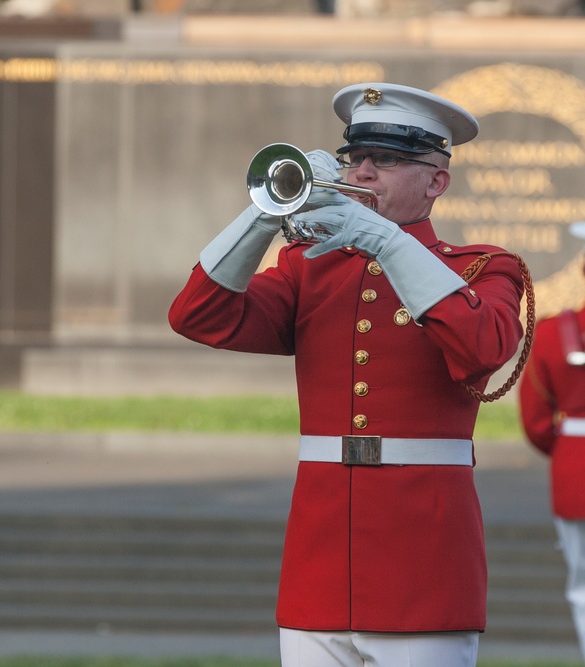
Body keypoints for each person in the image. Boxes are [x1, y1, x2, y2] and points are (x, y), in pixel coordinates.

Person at [168, 82, 526, 666]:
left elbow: (484, 345)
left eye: (385, 160)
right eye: (352, 159)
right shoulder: (310, 269)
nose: (361, 173)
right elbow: (197, 315)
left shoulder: (486, 270)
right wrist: (265, 213)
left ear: (437, 180)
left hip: (423, 562)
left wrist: (386, 240)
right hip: (321, 558)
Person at [517, 221, 585, 661]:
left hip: (575, 469)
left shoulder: (555, 332)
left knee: (583, 585)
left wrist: (565, 449)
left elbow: (537, 422)